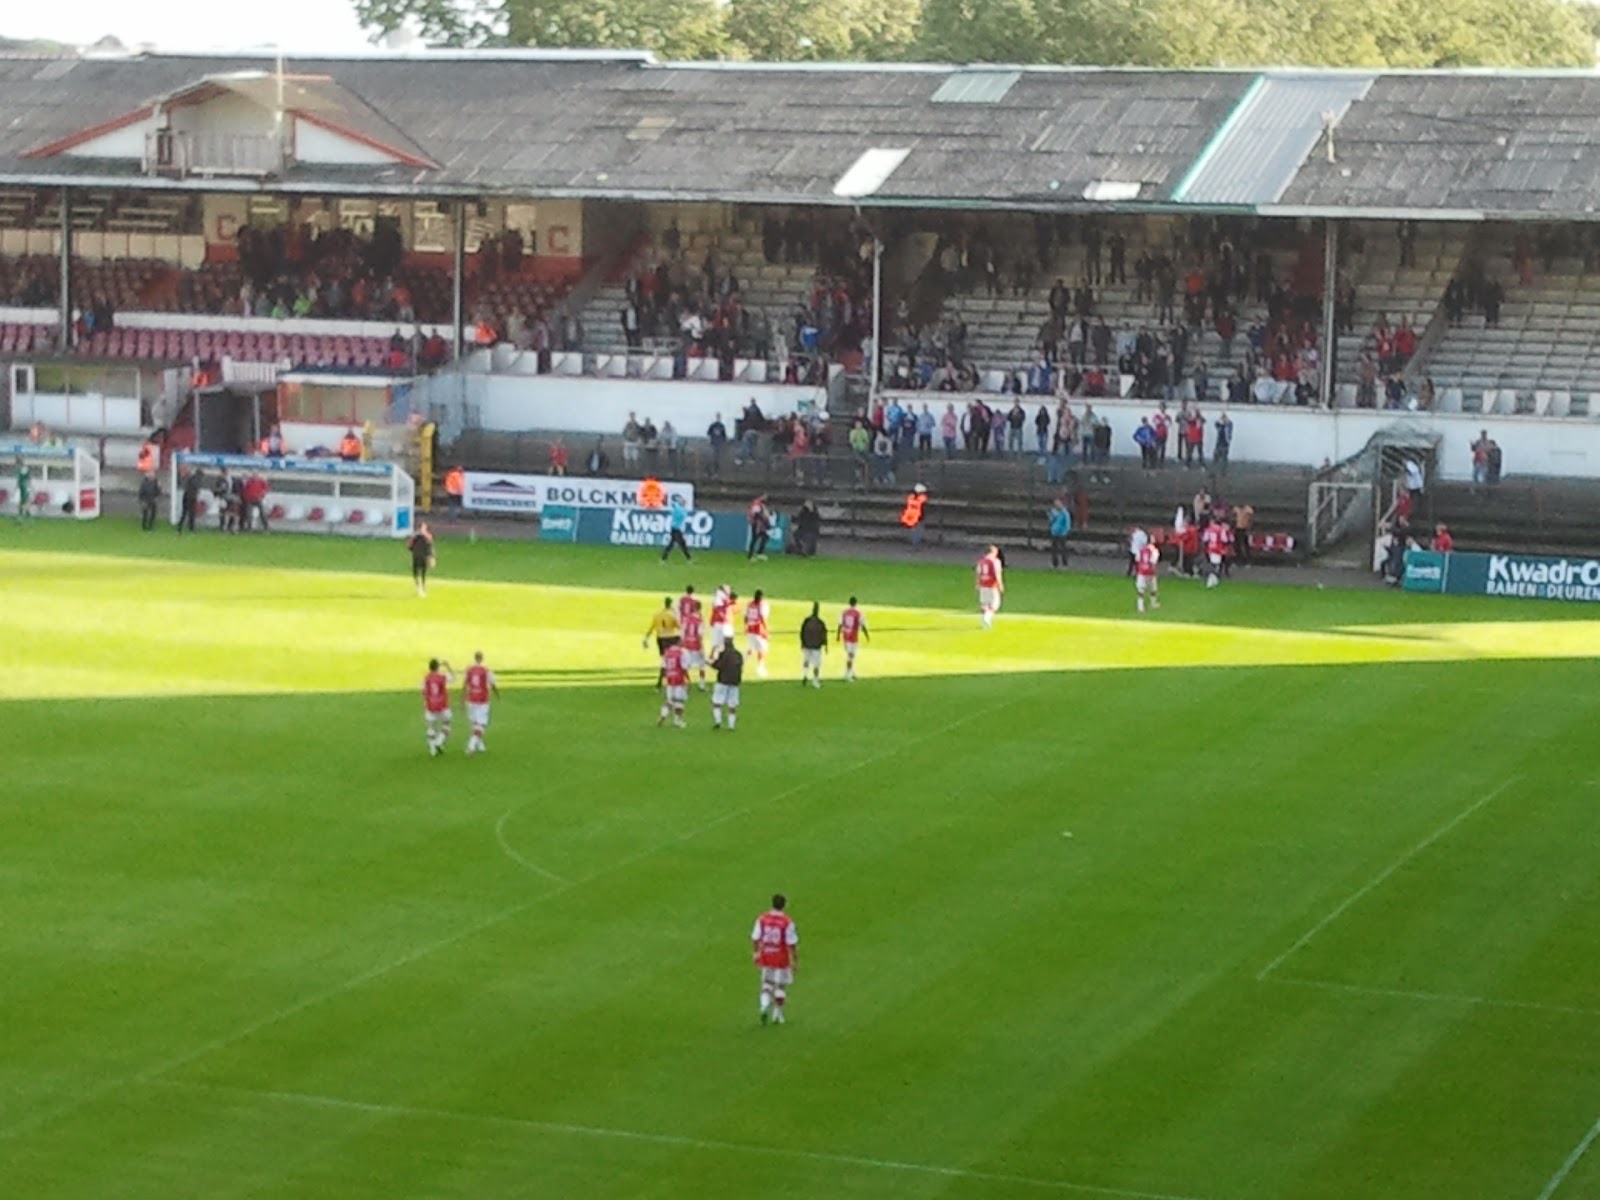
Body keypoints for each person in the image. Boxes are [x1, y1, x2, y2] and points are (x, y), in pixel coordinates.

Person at [752, 893, 799, 1025]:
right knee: (780, 985)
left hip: (766, 955)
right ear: (784, 905)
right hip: (781, 957)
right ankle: (777, 1014)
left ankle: (764, 1006)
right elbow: (792, 943)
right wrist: (795, 961)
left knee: (767, 983)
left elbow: (755, 937)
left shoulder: (762, 918)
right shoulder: (787, 922)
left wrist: (756, 953)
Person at [462, 651, 500, 755]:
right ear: (482, 658)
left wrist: (462, 699)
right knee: (482, 724)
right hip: (482, 701)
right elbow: (492, 684)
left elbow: (465, 685)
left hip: (471, 699)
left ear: (475, 658)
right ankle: (471, 745)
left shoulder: (469, 670)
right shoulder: (486, 670)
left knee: (475, 723)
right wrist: (497, 694)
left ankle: (479, 744)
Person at [643, 597, 681, 686]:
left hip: (660, 639)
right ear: (671, 604)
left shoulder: (657, 615)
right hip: (671, 638)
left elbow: (651, 628)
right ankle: (670, 678)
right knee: (674, 658)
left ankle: (662, 679)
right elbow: (679, 626)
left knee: (664, 659)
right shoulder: (672, 615)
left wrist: (646, 638)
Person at [422, 657, 456, 757]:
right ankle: (439, 741)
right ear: (437, 667)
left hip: (430, 705)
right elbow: (453, 678)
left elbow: (424, 691)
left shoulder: (426, 678)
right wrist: (448, 666)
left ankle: (432, 749)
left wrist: (426, 701)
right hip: (442, 706)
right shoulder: (442, 677)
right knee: (446, 724)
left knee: (431, 726)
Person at [711, 640, 744, 731]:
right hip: (735, 682)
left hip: (723, 681)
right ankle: (731, 725)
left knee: (717, 702)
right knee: (732, 704)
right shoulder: (738, 655)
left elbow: (718, 666)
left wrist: (710, 663)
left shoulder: (723, 654)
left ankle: (718, 721)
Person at [657, 641, 689, 728]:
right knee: (679, 700)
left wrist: (664, 679)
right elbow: (684, 667)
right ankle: (677, 720)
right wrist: (687, 678)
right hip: (679, 679)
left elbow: (663, 667)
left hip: (670, 679)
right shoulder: (681, 652)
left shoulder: (667, 653)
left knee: (670, 700)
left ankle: (663, 715)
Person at [679, 600, 709, 691]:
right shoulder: (699, 620)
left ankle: (685, 684)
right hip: (696, 646)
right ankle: (702, 685)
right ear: (700, 608)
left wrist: (681, 644)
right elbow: (699, 635)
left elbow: (682, 633)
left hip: (686, 645)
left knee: (685, 666)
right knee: (702, 665)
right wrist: (702, 648)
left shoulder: (686, 618)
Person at [837, 597, 868, 681]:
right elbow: (863, 625)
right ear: (856, 603)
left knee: (850, 656)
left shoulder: (844, 612)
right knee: (850, 656)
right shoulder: (858, 613)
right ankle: (847, 675)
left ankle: (852, 672)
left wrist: (838, 635)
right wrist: (867, 635)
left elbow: (840, 624)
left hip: (846, 637)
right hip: (853, 638)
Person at [798, 601, 827, 689]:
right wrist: (825, 644)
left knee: (806, 660)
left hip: (807, 644)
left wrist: (802, 643)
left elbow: (802, 632)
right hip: (816, 646)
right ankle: (815, 680)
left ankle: (805, 674)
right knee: (816, 664)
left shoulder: (807, 620)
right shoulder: (820, 622)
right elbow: (824, 635)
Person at [744, 588, 771, 678]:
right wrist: (766, 631)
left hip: (750, 629)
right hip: (758, 630)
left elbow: (745, 618)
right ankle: (760, 667)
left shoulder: (749, 604)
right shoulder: (762, 605)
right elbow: (763, 618)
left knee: (750, 648)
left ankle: (741, 662)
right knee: (762, 649)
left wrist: (746, 626)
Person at [976, 544, 1004, 630]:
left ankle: (985, 621)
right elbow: (997, 573)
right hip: (992, 585)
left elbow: (978, 573)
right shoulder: (995, 561)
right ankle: (987, 618)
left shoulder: (981, 561)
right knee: (995, 604)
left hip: (983, 584)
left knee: (985, 604)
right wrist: (1000, 584)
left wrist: (977, 583)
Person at [1201, 519, 1233, 589]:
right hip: (1218, 549)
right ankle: (1210, 580)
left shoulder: (1208, 529)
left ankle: (1214, 581)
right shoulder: (1221, 530)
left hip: (1210, 548)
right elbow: (1224, 539)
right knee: (1216, 565)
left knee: (1213, 564)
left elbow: (1205, 539)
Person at [661, 493, 693, 562]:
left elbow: (675, 507)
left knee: (674, 544)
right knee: (680, 544)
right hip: (675, 529)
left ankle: (664, 558)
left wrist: (677, 502)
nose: (684, 504)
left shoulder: (680, 510)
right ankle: (689, 558)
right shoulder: (680, 510)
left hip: (676, 529)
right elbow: (675, 506)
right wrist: (678, 501)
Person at [1134, 535, 1161, 613]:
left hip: (1141, 572)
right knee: (1153, 588)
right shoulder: (1154, 551)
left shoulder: (1141, 549)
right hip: (1150, 572)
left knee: (1141, 589)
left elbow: (1137, 559)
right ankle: (1153, 603)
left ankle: (1140, 606)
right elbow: (1153, 562)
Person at [710, 585, 737, 660]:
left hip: (717, 622)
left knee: (716, 642)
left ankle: (712, 656)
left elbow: (715, 609)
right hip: (725, 622)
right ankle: (723, 657)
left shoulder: (716, 597)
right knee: (727, 641)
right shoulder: (724, 598)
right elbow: (732, 607)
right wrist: (733, 600)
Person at [408, 522, 435, 597]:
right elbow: (430, 547)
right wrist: (431, 556)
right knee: (422, 572)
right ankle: (422, 587)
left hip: (417, 556)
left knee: (417, 572)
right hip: (423, 557)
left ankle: (419, 587)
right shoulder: (427, 536)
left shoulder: (415, 536)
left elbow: (410, 547)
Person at [900, 483, 928, 549]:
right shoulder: (922, 498)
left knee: (914, 531)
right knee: (918, 531)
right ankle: (916, 545)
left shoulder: (910, 497)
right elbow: (923, 504)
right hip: (918, 516)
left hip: (910, 516)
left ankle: (914, 544)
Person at [1048, 496, 1072, 569]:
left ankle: (1065, 564)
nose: (1056, 504)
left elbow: (1067, 523)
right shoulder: (1053, 511)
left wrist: (1066, 530)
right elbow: (1051, 521)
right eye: (1055, 503)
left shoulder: (1065, 512)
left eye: (1058, 503)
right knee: (1054, 549)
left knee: (1063, 549)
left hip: (1062, 533)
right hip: (1054, 532)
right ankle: (1054, 564)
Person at [177, 468, 202, 533]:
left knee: (185, 513)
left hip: (187, 496)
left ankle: (180, 527)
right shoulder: (195, 480)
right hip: (190, 497)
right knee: (190, 514)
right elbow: (194, 489)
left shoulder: (191, 478)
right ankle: (190, 528)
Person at [747, 495, 772, 560]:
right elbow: (756, 514)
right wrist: (763, 519)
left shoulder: (761, 505)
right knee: (755, 539)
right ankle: (751, 555)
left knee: (764, 537)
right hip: (757, 524)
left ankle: (759, 553)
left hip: (760, 524)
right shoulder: (757, 504)